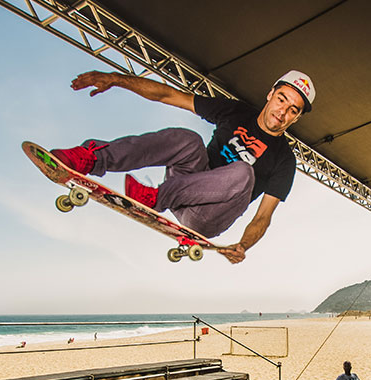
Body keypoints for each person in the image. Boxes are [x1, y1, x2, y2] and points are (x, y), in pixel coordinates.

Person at [47, 69, 316, 264]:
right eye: (282, 99)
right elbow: (168, 95)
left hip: (207, 217)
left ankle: (157, 197)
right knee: (189, 140)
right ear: (271, 93)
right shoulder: (235, 112)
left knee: (243, 172)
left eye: (293, 110)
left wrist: (243, 245)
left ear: (297, 117)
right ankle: (92, 158)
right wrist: (117, 80)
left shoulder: (284, 159)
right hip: (185, 184)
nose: (282, 112)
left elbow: (263, 217)